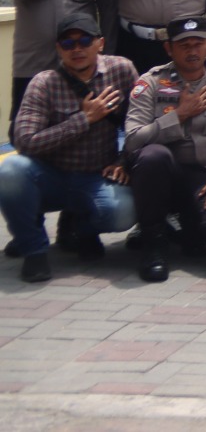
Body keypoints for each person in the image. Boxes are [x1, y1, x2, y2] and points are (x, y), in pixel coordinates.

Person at [0, 14, 137, 283]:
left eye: (85, 40)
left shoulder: (122, 71)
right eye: (68, 43)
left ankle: (83, 227)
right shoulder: (44, 82)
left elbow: (139, 122)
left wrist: (123, 161)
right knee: (10, 171)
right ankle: (34, 249)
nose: (77, 49)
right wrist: (83, 120)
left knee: (124, 212)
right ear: (58, 48)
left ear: (100, 43)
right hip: (50, 175)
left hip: (96, 175)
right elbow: (25, 140)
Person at [122, 17, 206, 283]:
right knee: (153, 156)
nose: (192, 51)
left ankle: (190, 228)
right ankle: (153, 243)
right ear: (169, 49)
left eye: (198, 43)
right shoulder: (151, 82)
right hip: (161, 176)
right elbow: (132, 140)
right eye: (184, 45)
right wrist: (178, 115)